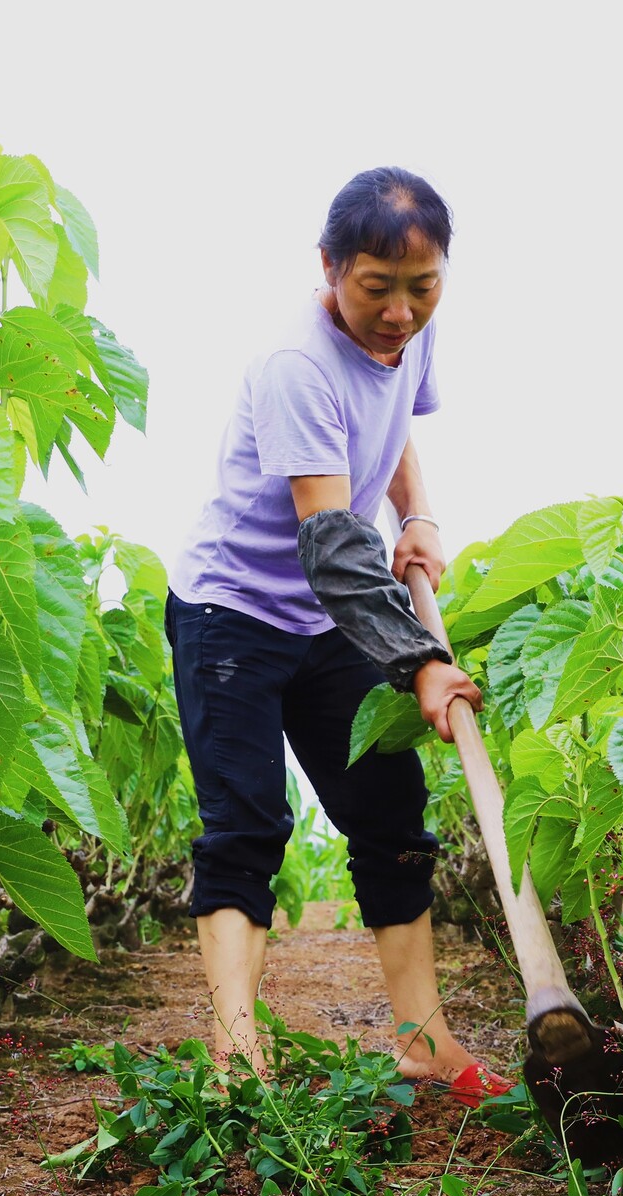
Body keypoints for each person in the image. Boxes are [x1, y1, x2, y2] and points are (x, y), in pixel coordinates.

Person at [165, 166, 513, 1105]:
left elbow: (394, 426)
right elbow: (331, 545)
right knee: (245, 827)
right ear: (329, 269)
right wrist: (423, 663)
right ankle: (241, 1062)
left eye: (422, 287)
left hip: (325, 619)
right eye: (376, 289)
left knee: (391, 817)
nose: (400, 313)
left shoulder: (410, 335)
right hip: (231, 610)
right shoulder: (297, 366)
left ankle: (424, 1039)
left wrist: (422, 511)